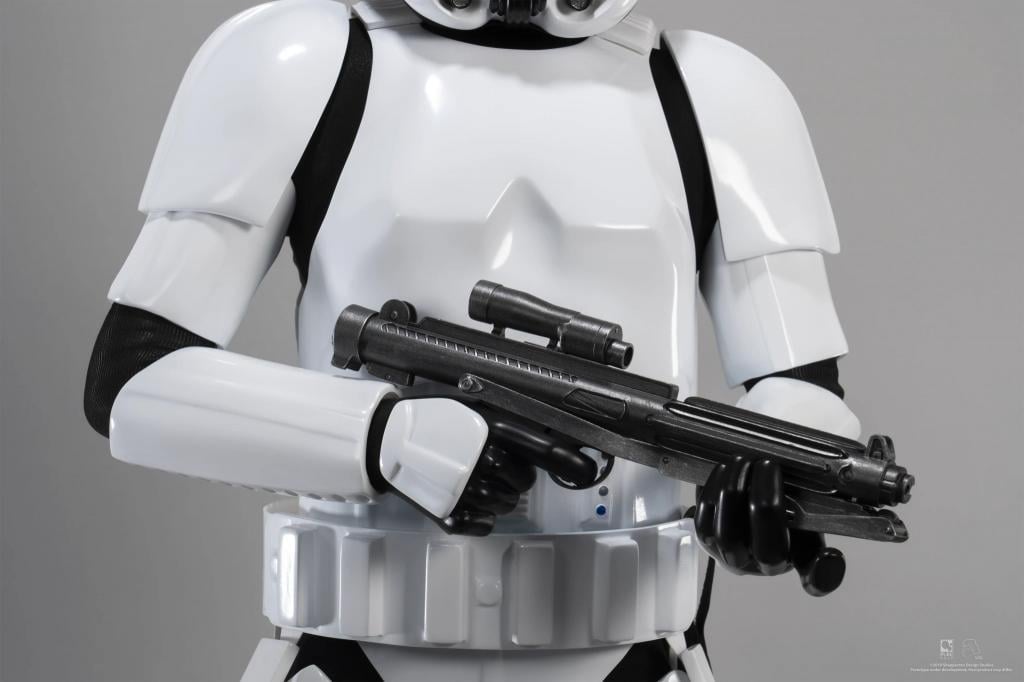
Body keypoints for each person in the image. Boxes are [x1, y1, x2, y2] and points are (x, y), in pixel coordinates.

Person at [84, 1, 862, 679]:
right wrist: (384, 439)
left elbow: (802, 386)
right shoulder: (299, 61)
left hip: (635, 648)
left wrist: (772, 489)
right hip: (356, 644)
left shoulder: (714, 93)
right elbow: (134, 378)